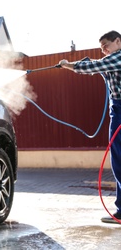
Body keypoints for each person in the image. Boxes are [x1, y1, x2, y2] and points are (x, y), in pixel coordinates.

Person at [59, 30, 121, 224]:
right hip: (117, 110)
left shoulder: (118, 58)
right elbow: (96, 66)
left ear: (118, 41)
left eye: (106, 46)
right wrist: (84, 62)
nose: (103, 50)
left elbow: (96, 65)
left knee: (119, 160)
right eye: (101, 47)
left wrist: (68, 65)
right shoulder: (113, 59)